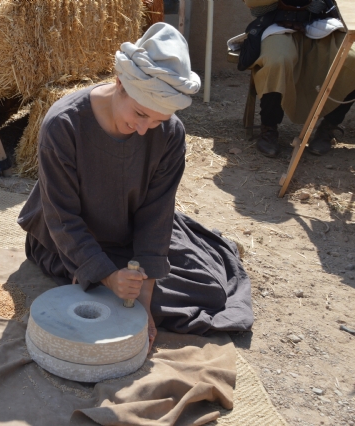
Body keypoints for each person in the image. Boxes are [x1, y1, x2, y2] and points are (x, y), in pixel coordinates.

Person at [18, 23, 254, 354]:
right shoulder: (63, 126)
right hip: (68, 238)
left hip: (131, 230)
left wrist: (143, 299)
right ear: (119, 84)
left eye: (156, 121)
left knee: (211, 291)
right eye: (140, 114)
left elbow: (157, 211)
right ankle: (92, 276)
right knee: (110, 294)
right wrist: (104, 275)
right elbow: (61, 216)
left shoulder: (171, 134)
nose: (144, 130)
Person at [242, 0, 355, 157]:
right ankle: (269, 129)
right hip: (278, 25)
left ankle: (328, 128)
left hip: (322, 24)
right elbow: (256, 5)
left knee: (352, 58)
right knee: (278, 61)